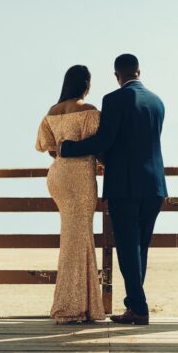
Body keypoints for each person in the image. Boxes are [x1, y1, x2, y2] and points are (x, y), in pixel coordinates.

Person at [60, 53, 166, 325]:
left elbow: (104, 140)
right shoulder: (157, 102)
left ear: (117, 75)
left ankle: (139, 309)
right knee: (140, 248)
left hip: (124, 186)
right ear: (139, 72)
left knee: (128, 249)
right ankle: (135, 305)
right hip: (155, 186)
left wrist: (69, 148)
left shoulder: (113, 99)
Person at [35, 65, 105, 324]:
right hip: (80, 177)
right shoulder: (89, 111)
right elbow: (97, 145)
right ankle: (69, 307)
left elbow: (49, 148)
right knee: (77, 238)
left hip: (58, 176)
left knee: (76, 237)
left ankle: (84, 304)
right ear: (86, 84)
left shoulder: (51, 112)